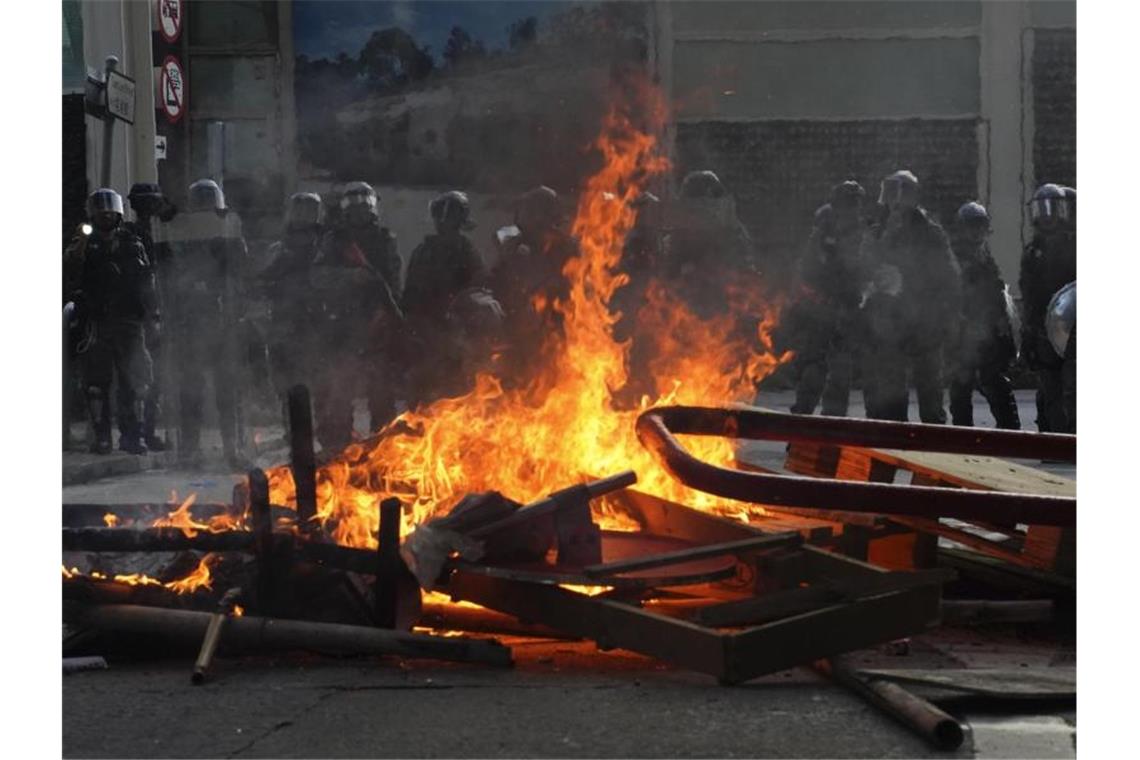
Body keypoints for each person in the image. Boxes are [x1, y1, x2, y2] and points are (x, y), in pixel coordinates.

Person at [859, 170, 960, 423]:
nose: (894, 201)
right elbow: (864, 268)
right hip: (890, 322)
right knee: (891, 387)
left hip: (925, 319)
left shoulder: (930, 232)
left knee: (930, 387)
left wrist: (945, 313)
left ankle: (933, 441)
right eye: (890, 194)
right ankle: (897, 438)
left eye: (899, 194)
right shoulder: (877, 231)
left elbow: (948, 274)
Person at [63, 189, 157, 454]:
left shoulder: (131, 240)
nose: (105, 215)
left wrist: (153, 315)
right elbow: (70, 270)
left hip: (128, 319)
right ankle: (102, 436)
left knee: (135, 380)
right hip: (97, 321)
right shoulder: (83, 241)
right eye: (100, 210)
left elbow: (146, 279)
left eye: (110, 210)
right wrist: (82, 243)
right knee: (96, 384)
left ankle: (133, 434)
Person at [163, 179, 249, 467]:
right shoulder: (182, 235)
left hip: (223, 320)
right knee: (191, 389)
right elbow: (173, 269)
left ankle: (233, 448)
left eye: (207, 202)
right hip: (192, 321)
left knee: (228, 390)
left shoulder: (228, 230)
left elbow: (239, 270)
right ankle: (189, 450)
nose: (204, 209)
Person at [309, 208, 404, 451]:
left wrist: (390, 313)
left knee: (381, 392)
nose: (359, 207)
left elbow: (391, 281)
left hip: (376, 323)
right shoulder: (335, 240)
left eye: (363, 202)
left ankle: (385, 448)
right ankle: (338, 447)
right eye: (354, 203)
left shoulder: (384, 239)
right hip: (342, 325)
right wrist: (350, 277)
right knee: (340, 389)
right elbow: (318, 277)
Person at [489, 185, 579, 389]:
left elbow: (573, 285)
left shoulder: (564, 246)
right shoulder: (515, 246)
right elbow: (496, 280)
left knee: (552, 380)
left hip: (552, 324)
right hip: (519, 326)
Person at [789, 180, 866, 417]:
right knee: (814, 371)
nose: (851, 209)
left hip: (847, 311)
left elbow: (867, 271)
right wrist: (818, 301)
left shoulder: (864, 234)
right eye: (847, 203)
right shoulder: (823, 234)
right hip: (822, 312)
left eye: (854, 203)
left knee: (840, 377)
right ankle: (801, 428)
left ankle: (831, 431)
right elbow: (806, 272)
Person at [946, 202, 1020, 429]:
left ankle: (1008, 432)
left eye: (980, 226)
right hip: (962, 330)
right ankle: (963, 437)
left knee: (995, 382)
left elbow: (995, 289)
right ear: (962, 228)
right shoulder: (953, 257)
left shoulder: (983, 255)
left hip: (987, 330)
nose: (977, 232)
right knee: (961, 386)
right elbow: (948, 292)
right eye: (972, 226)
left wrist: (1002, 321)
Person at [1018, 183, 1076, 433]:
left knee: (1075, 386)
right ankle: (1052, 437)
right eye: (1043, 209)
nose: (1047, 215)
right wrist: (1028, 331)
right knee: (1048, 386)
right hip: (1043, 325)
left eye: (1053, 208)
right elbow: (1029, 294)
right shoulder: (1033, 252)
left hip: (1075, 326)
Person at [661, 170, 757, 319]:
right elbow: (671, 269)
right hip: (690, 303)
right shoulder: (681, 232)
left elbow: (743, 263)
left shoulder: (731, 228)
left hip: (722, 299)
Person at [124, 183, 177, 451]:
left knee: (158, 376)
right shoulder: (129, 235)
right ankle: (136, 432)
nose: (149, 211)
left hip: (162, 309)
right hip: (138, 313)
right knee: (140, 376)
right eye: (144, 206)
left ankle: (149, 429)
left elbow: (174, 270)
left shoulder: (163, 235)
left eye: (152, 205)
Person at [260, 193, 325, 404]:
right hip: (284, 321)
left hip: (317, 321)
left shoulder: (326, 248)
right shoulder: (278, 249)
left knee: (319, 383)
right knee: (285, 382)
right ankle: (292, 431)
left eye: (310, 210)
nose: (305, 215)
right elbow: (261, 283)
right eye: (300, 210)